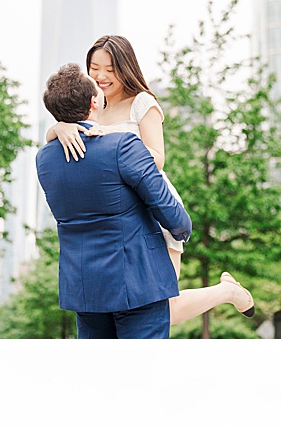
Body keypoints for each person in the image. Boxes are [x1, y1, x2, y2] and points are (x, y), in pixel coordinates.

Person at [43, 35, 254, 329]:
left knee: (163, 303)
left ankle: (227, 292)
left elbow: (157, 157)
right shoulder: (91, 105)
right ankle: (226, 291)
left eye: (110, 69)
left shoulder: (142, 103)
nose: (101, 76)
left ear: (125, 68)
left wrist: (115, 143)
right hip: (113, 214)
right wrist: (59, 128)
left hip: (152, 204)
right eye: (94, 68)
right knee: (144, 307)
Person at [33, 62, 192, 338]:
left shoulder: (45, 159)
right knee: (141, 374)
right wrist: (182, 229)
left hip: (84, 288)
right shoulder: (123, 146)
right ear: (95, 102)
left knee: (98, 374)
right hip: (138, 281)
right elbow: (167, 208)